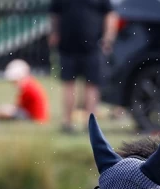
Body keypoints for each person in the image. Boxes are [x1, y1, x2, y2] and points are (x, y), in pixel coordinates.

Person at [49, 0, 117, 133]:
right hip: (67, 46)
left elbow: (109, 14)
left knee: (91, 85)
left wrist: (108, 37)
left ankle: (90, 124)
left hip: (93, 46)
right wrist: (54, 34)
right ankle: (67, 122)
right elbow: (54, 14)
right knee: (69, 84)